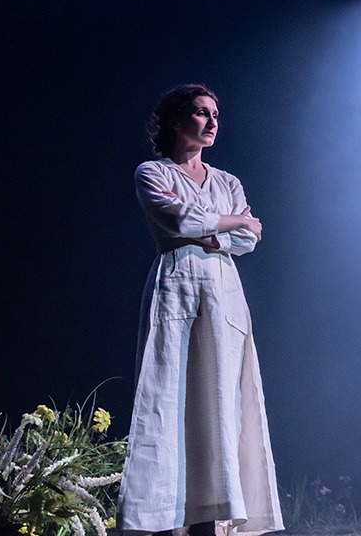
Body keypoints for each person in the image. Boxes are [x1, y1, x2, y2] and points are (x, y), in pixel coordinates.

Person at [118, 84, 283, 536]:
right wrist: (232, 223)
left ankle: (217, 514)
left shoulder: (227, 181)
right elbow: (178, 221)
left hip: (223, 296)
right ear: (176, 120)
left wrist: (221, 230)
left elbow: (248, 240)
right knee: (171, 398)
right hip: (177, 290)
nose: (212, 122)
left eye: (215, 114)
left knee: (221, 402)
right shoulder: (152, 172)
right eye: (200, 113)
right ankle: (167, 518)